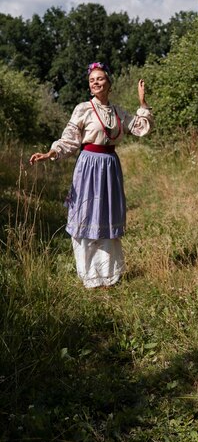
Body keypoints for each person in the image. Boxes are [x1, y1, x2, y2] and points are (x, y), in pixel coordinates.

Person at [30, 62, 153, 289]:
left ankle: (108, 274)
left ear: (109, 83)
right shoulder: (83, 109)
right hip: (89, 167)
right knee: (87, 215)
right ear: (90, 86)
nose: (95, 82)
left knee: (106, 216)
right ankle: (89, 274)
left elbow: (141, 128)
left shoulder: (117, 112)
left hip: (110, 167)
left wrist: (142, 103)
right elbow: (70, 138)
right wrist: (51, 152)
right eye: (92, 80)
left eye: (100, 78)